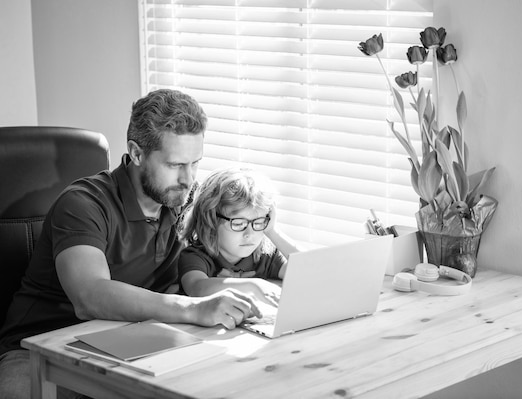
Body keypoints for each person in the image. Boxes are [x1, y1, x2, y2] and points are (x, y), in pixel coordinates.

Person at [0, 89, 261, 399]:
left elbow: (235, 239)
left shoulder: (182, 198)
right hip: (42, 346)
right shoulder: (82, 204)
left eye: (195, 163)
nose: (189, 178)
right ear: (137, 154)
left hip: (133, 339)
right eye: (176, 165)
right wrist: (194, 309)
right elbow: (90, 296)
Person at [178, 167, 301, 308]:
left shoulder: (265, 256)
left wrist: (272, 231)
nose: (249, 233)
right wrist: (254, 286)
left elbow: (311, 272)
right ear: (210, 221)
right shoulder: (196, 257)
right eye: (238, 224)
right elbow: (198, 288)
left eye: (258, 222)